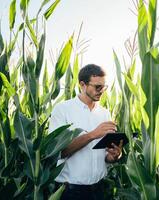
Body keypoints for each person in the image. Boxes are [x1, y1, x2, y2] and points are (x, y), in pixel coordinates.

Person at [48, 64, 123, 200]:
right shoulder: (62, 110)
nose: (101, 91)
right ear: (82, 85)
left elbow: (105, 155)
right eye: (97, 87)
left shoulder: (104, 113)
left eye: (104, 87)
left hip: (99, 189)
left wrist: (113, 156)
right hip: (71, 192)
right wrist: (92, 135)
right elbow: (58, 152)